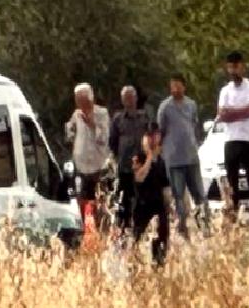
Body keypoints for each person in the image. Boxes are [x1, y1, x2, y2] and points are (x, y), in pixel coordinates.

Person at [217, 51, 249, 225]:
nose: (233, 70)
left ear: (242, 67)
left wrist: (232, 113)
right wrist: (236, 113)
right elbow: (222, 115)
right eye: (230, 67)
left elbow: (248, 111)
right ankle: (233, 217)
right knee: (232, 181)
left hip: (247, 140)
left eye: (236, 66)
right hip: (231, 140)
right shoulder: (225, 91)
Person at [157, 73, 206, 236]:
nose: (175, 89)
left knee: (199, 193)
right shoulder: (165, 107)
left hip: (191, 157)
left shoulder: (191, 104)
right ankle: (182, 228)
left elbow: (194, 125)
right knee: (178, 195)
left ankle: (205, 226)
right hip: (174, 159)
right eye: (172, 86)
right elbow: (160, 131)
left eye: (178, 86)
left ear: (184, 87)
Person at [64, 83, 110, 223]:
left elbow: (104, 138)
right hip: (81, 164)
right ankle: (84, 228)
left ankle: (101, 227)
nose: (81, 104)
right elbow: (69, 132)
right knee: (82, 199)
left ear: (91, 99)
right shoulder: (77, 115)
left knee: (100, 199)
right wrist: (70, 132)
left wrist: (92, 125)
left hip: (98, 164)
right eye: (78, 100)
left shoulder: (101, 113)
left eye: (84, 100)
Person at [108, 85, 150, 230]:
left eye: (131, 97)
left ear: (136, 98)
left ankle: (142, 226)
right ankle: (124, 228)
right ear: (122, 100)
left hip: (142, 167)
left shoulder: (144, 117)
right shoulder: (118, 119)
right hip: (125, 166)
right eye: (126, 98)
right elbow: (112, 141)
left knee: (142, 198)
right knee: (124, 199)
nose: (129, 100)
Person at [130, 127, 172, 266]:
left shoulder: (161, 160)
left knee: (162, 234)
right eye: (151, 137)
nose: (154, 141)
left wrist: (168, 204)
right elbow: (139, 177)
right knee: (138, 237)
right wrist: (148, 157)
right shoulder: (138, 157)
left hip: (158, 203)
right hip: (142, 204)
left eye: (157, 137)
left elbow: (166, 185)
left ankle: (159, 261)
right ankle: (136, 263)